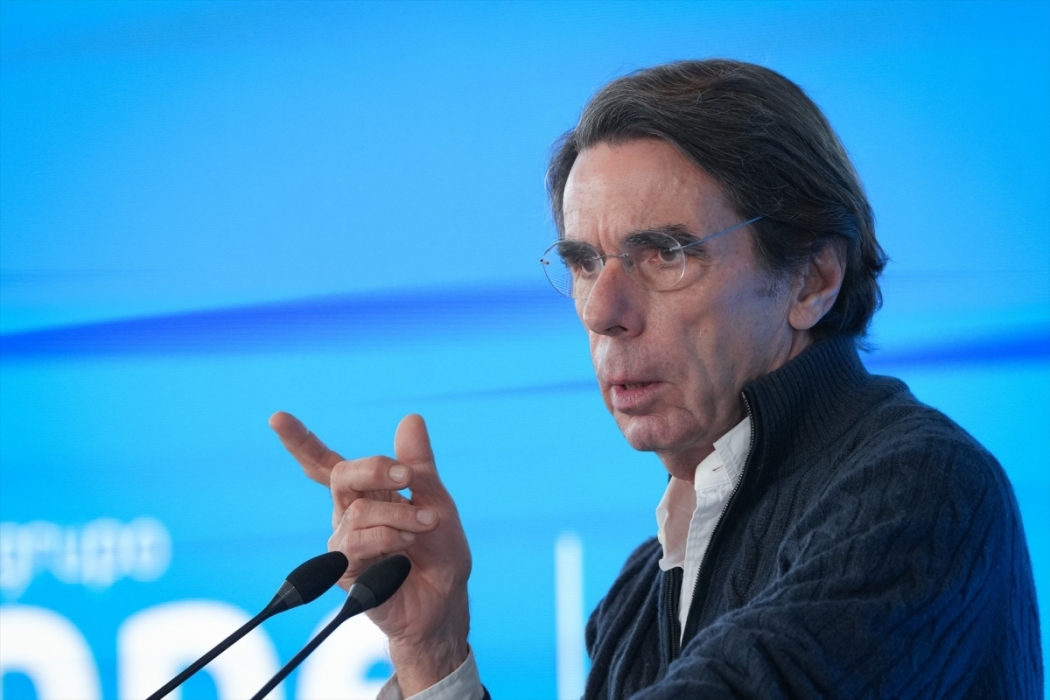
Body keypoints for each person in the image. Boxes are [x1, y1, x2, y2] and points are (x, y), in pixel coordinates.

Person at [269, 59, 1042, 699]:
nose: (602, 311)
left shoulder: (922, 491)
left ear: (812, 280)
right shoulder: (641, 591)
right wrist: (432, 651)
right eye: (583, 263)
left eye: (666, 254)